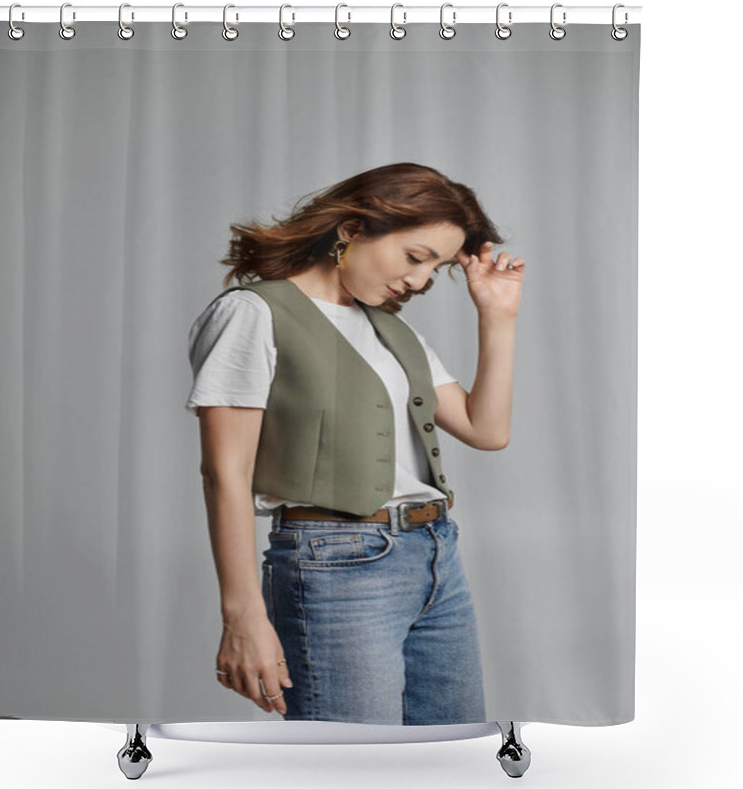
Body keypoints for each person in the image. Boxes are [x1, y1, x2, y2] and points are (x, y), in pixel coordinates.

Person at [185, 162, 525, 725]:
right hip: (335, 566)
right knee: (353, 768)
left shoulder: (392, 329)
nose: (418, 282)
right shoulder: (252, 313)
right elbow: (226, 473)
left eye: (435, 270)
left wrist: (498, 316)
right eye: (415, 258)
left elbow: (486, 430)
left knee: (450, 759)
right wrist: (242, 616)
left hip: (435, 554)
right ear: (351, 229)